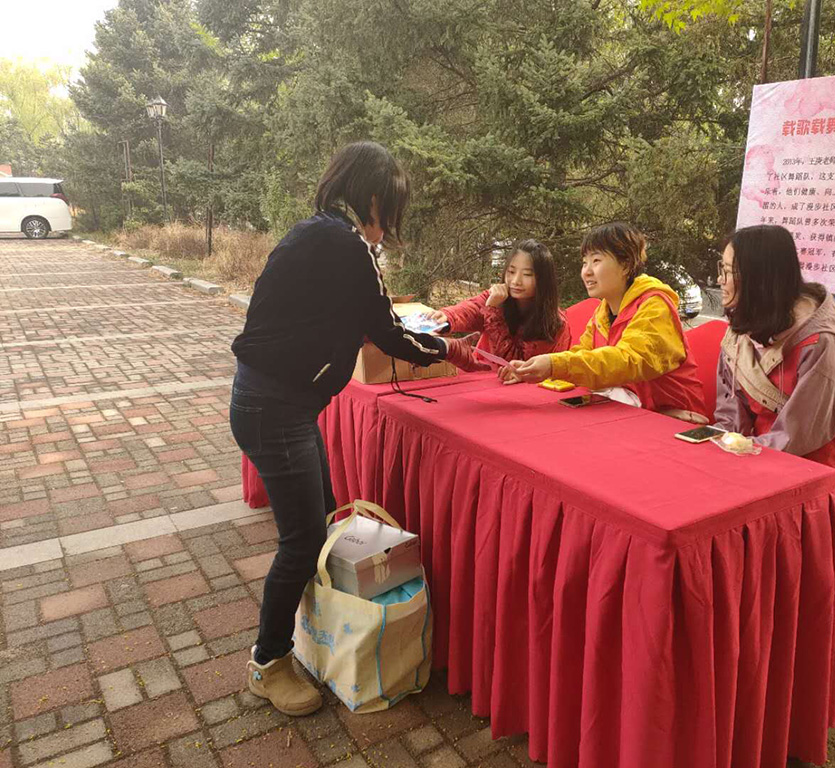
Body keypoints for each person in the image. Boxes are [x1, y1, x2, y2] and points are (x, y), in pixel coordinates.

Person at [229, 141, 482, 717]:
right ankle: (268, 662)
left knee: (321, 519)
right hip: (275, 409)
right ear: (372, 198)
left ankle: (314, 628)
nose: (388, 225)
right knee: (302, 542)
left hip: (276, 404)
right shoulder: (345, 244)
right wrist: (451, 351)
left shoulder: (318, 233)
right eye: (389, 209)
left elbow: (351, 320)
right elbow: (387, 331)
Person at [712, 224, 835, 581]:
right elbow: (730, 408)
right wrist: (723, 448)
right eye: (722, 269)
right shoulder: (742, 329)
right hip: (758, 454)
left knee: (747, 545)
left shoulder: (819, 343)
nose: (720, 280)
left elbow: (801, 434)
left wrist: (744, 459)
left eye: (728, 272)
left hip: (813, 464)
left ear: (759, 279)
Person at [500, 222, 706, 422]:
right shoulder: (603, 311)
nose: (586, 271)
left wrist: (554, 365)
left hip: (673, 420)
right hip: (626, 412)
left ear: (626, 265)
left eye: (596, 260)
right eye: (584, 262)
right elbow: (582, 354)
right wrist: (534, 369)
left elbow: (629, 360)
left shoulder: (655, 307)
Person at [427, 240, 571, 363]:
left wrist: (493, 312)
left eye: (527, 274)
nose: (516, 281)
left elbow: (517, 363)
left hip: (522, 385)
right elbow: (472, 308)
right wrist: (447, 317)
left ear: (543, 280)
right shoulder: (499, 298)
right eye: (511, 272)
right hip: (479, 374)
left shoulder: (554, 324)